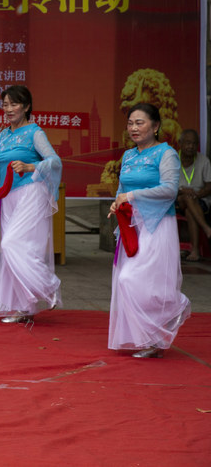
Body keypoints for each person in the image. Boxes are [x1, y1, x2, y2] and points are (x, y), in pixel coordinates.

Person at [0, 85, 62, 324]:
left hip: (31, 192)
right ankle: (23, 307)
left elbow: (53, 161)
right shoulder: (3, 135)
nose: (8, 109)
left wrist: (30, 166)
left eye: (14, 104)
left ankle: (48, 285)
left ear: (27, 106)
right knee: (14, 250)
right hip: (8, 197)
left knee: (13, 243)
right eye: (5, 105)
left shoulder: (34, 133)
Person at [107, 103, 191, 358]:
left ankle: (172, 310)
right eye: (131, 123)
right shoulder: (129, 156)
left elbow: (169, 189)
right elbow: (122, 187)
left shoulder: (166, 154)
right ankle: (150, 340)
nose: (133, 128)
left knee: (135, 280)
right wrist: (117, 201)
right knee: (135, 282)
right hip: (132, 225)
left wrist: (132, 194)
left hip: (157, 226)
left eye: (139, 123)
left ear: (155, 126)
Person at [175, 129, 211, 261]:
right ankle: (206, 228)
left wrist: (197, 194)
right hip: (177, 199)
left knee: (190, 208)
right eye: (188, 143)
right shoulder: (172, 160)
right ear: (180, 143)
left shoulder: (203, 160)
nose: (191, 146)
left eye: (194, 144)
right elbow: (167, 186)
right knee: (184, 196)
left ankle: (194, 251)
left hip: (199, 199)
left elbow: (209, 186)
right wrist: (183, 191)